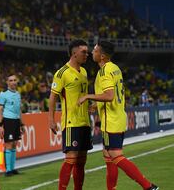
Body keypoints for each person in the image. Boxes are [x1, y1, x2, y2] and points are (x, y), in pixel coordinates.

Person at [78, 40, 158, 190]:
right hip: (118, 117)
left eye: (94, 50)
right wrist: (97, 104)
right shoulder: (115, 68)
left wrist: (88, 97)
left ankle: (148, 186)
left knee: (115, 156)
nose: (91, 53)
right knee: (108, 156)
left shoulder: (104, 71)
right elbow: (112, 95)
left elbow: (109, 96)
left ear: (102, 56)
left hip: (111, 121)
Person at [48, 39, 92, 190]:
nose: (87, 54)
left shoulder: (84, 71)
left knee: (81, 161)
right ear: (74, 53)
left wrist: (89, 106)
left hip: (85, 122)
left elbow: (82, 95)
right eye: (84, 52)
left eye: (87, 51)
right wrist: (51, 119)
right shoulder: (62, 73)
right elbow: (53, 97)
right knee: (71, 159)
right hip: (71, 122)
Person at [0, 74, 25, 177]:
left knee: (14, 144)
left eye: (14, 80)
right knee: (8, 144)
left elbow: (19, 109)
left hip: (16, 121)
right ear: (7, 82)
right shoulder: (3, 94)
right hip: (8, 121)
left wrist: (22, 124)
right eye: (11, 80)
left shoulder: (18, 94)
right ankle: (8, 170)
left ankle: (12, 168)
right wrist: (0, 125)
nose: (13, 82)